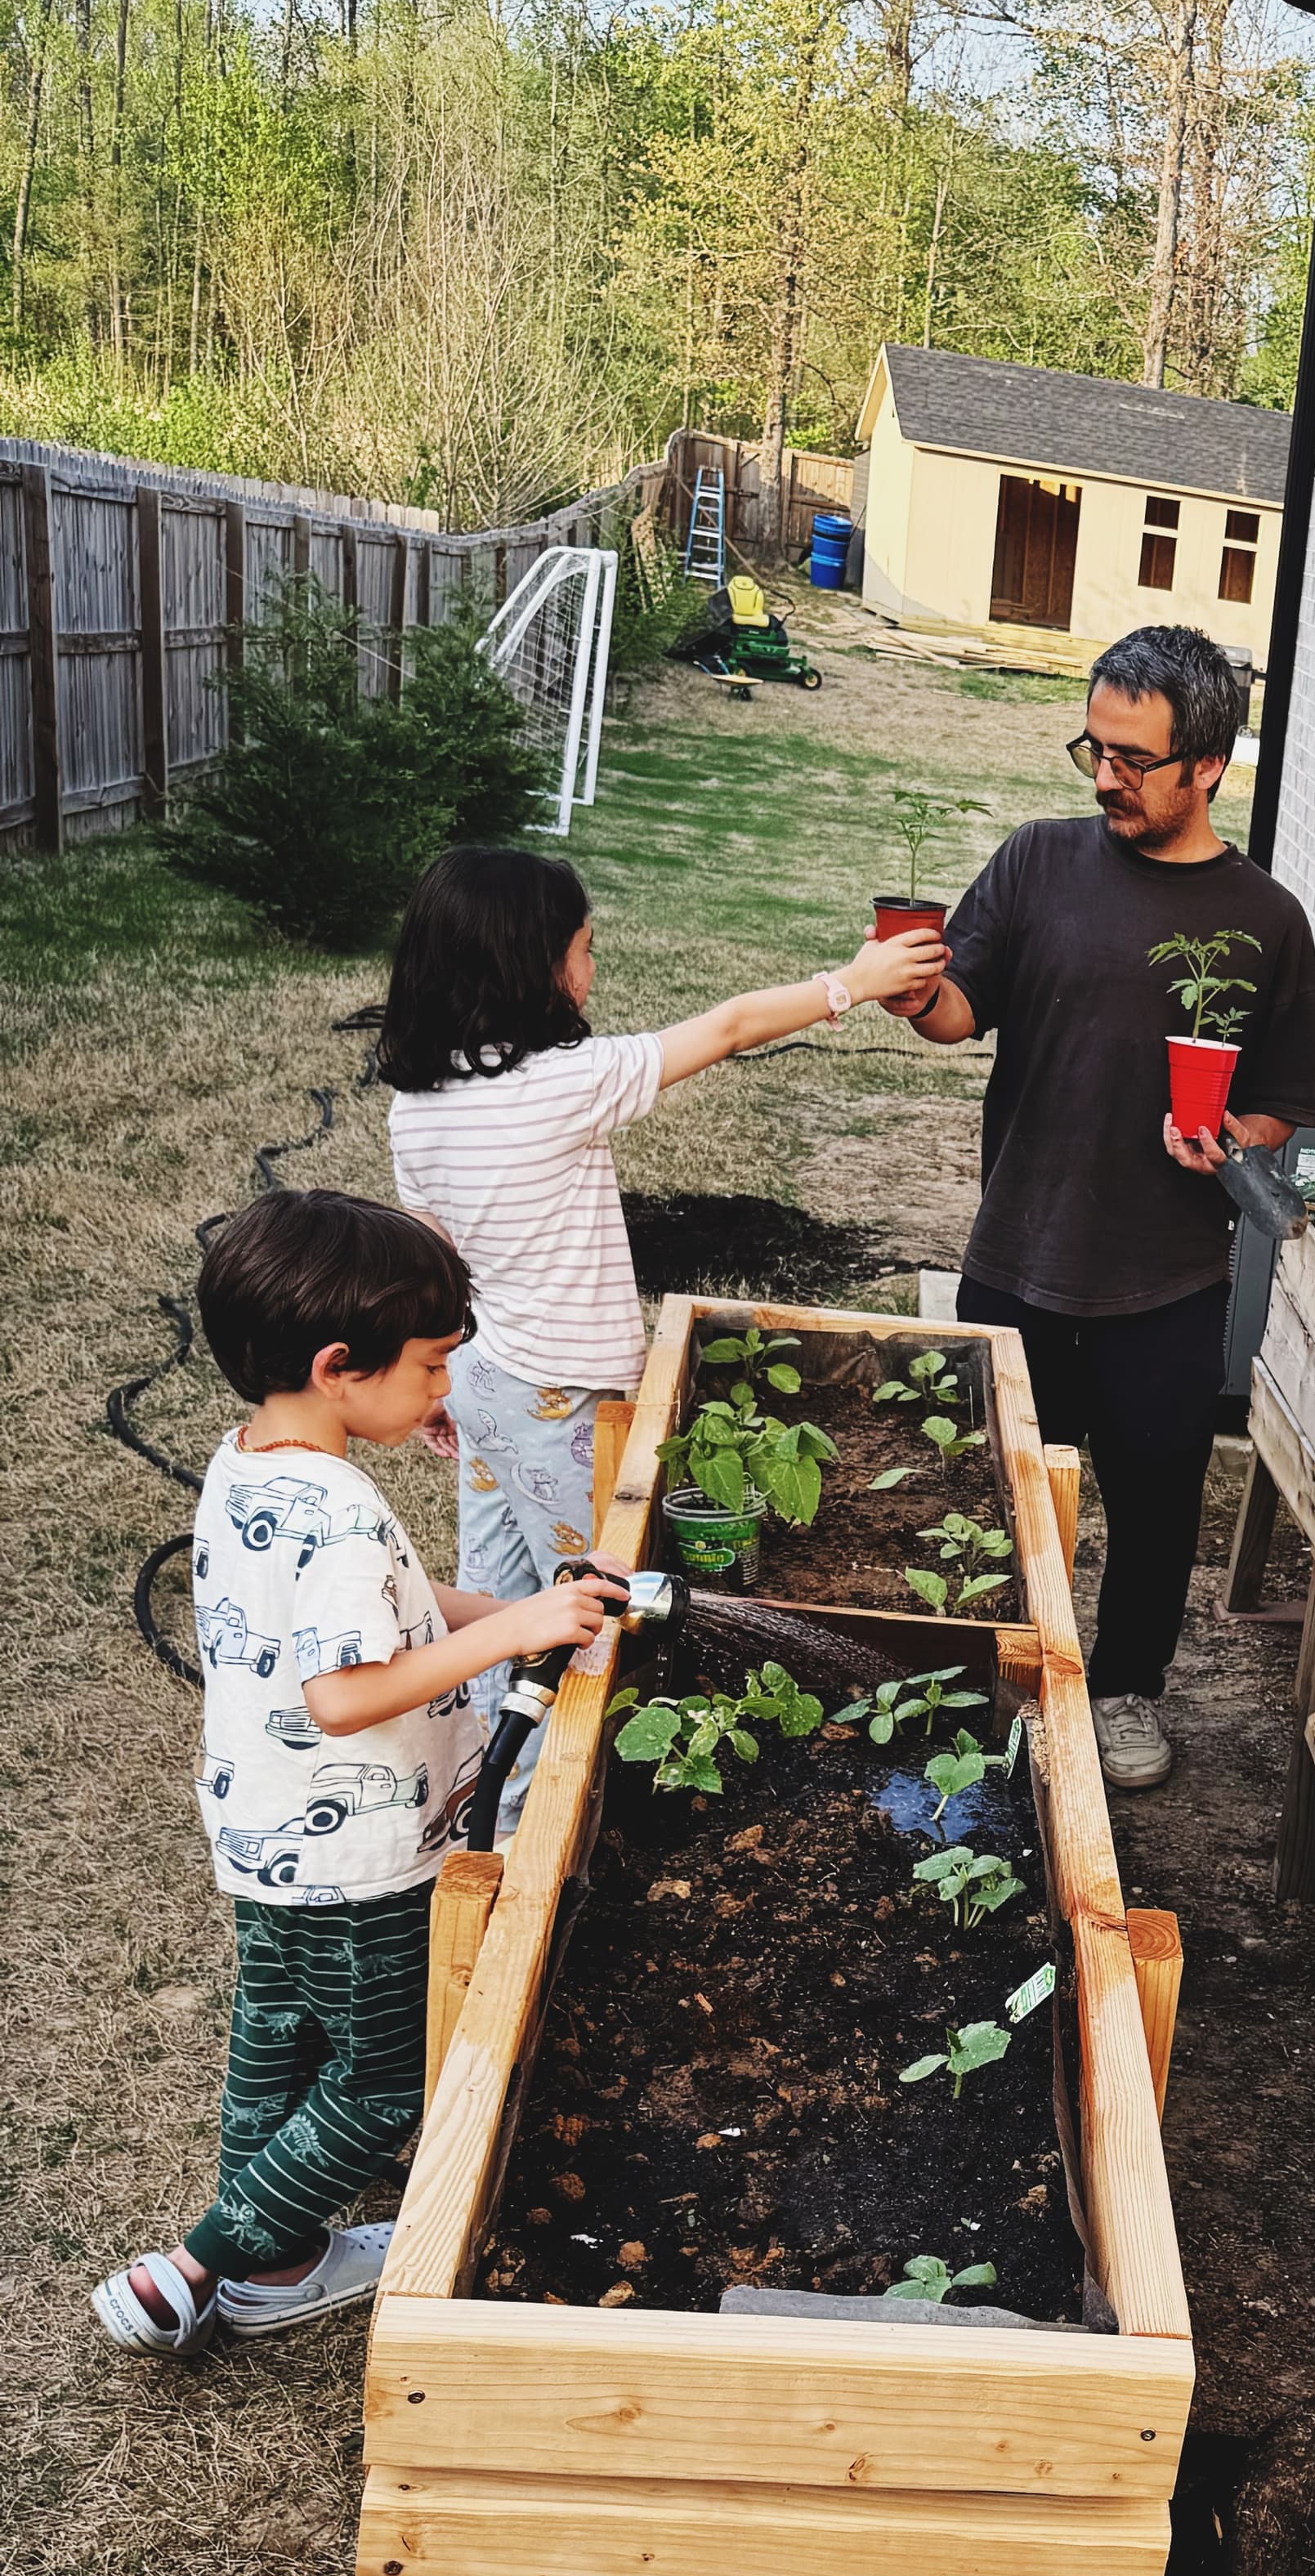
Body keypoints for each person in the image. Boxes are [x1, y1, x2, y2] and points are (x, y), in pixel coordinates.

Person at [88, 1190, 616, 2355]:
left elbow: (395, 1620)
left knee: (279, 2034)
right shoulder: (331, 1509)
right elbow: (347, 1692)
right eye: (432, 1369)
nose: (443, 1393)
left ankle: (278, 2253)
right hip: (362, 1853)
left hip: (267, 1836)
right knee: (382, 2082)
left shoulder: (251, 1460)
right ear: (340, 1366)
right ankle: (212, 2262)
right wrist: (503, 1638)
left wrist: (533, 1610)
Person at [896, 623, 1315, 1793]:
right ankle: (978, 1680)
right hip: (1019, 1247)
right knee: (991, 1491)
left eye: (1135, 758)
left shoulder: (1265, 921)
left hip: (1166, 1275)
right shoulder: (1037, 863)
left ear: (1207, 767)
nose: (1106, 775)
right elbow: (959, 1013)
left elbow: (1282, 1101)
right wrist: (914, 992)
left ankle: (1127, 1691)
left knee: (1152, 1504)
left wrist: (1229, 1137)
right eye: (1096, 745)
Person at [381, 845, 946, 1677]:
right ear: (530, 968)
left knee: (495, 1602)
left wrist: (439, 1376)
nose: (592, 963)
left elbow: (437, 1268)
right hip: (561, 1403)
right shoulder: (565, 1082)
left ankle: (487, 1788)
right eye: (583, 946)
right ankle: (553, 1780)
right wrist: (851, 982)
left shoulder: (415, 1106)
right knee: (586, 1609)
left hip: (483, 1381)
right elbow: (729, 1027)